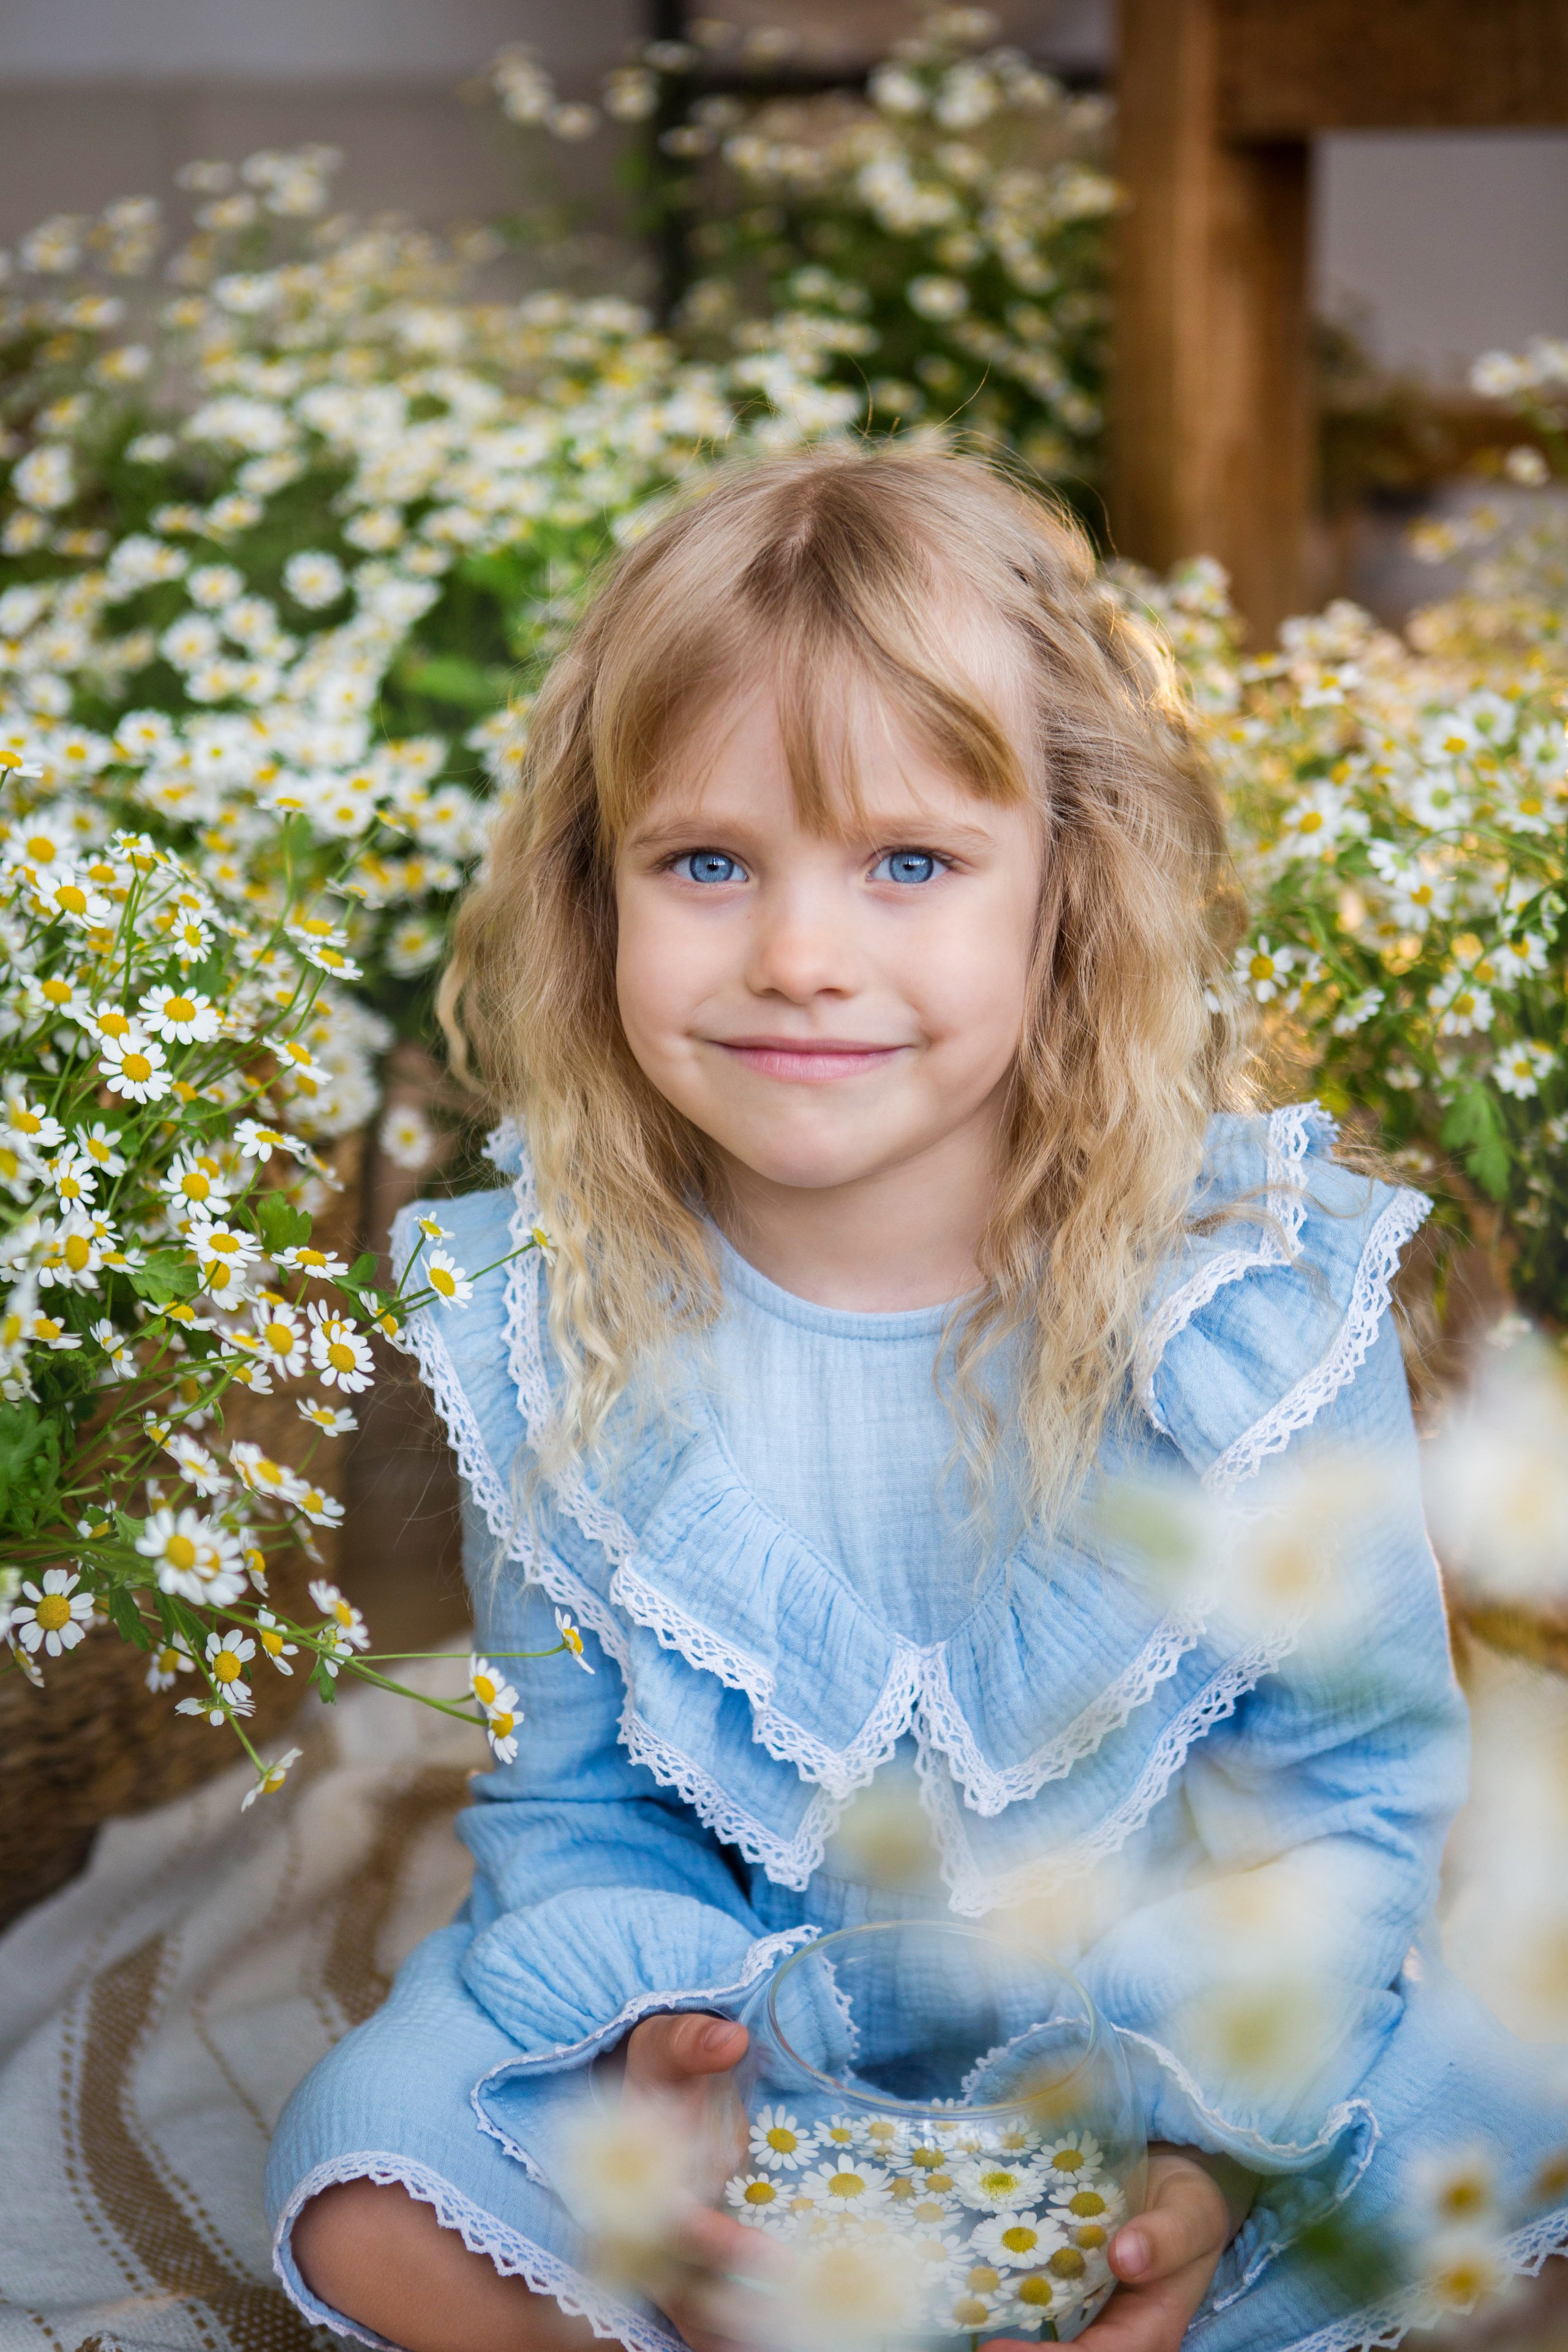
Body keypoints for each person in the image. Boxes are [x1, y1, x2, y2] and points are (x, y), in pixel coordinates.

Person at [265, 446, 1567, 2352]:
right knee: (371, 2163)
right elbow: (580, 1792)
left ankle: (1175, 2279)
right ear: (590, 889)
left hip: (1180, 2044)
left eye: (911, 863)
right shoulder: (554, 1312)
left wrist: (1207, 2152)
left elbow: (1348, 1805)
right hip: (758, 2033)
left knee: (1516, 2115)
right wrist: (671, 2052)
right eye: (706, 863)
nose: (801, 957)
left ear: (1069, 886)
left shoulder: (1247, 1306)